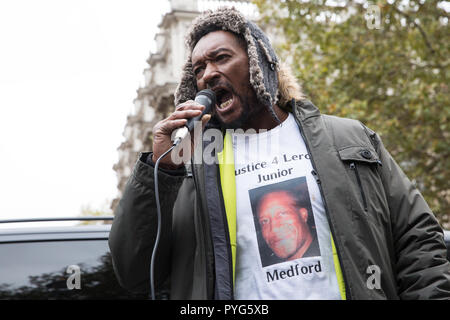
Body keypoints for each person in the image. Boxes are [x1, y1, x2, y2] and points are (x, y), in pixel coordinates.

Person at [108, 7, 450, 300]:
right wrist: (160, 169)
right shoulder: (190, 166)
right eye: (198, 69)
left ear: (259, 63)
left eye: (222, 58)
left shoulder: (349, 138)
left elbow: (418, 239)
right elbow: (133, 271)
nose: (209, 73)